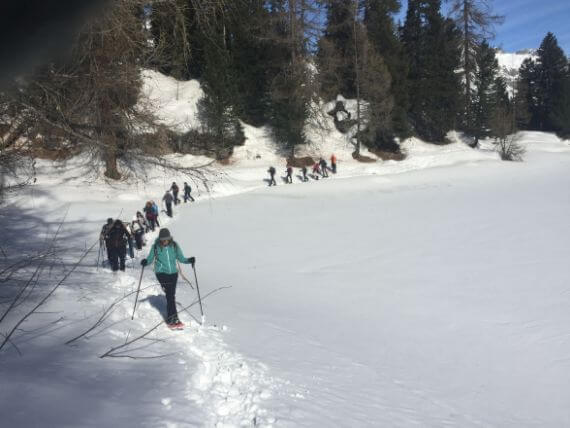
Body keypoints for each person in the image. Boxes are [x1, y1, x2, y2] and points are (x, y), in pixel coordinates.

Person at [141, 228, 195, 328]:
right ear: (160, 239)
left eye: (166, 239)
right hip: (161, 273)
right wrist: (145, 262)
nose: (165, 241)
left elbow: (181, 258)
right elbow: (149, 259)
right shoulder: (156, 247)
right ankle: (172, 319)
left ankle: (174, 318)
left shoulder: (174, 246)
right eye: (163, 239)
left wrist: (189, 260)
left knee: (171, 295)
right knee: (170, 295)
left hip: (173, 274)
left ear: (169, 238)